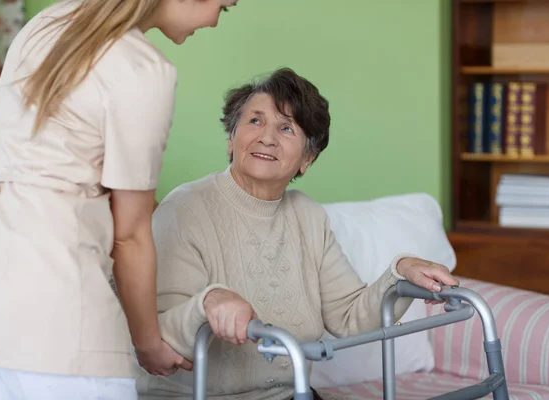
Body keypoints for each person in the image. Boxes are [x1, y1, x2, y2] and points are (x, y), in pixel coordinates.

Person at [0, 0, 240, 399]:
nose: (213, 22)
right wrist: (148, 342)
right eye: (223, 8)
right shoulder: (142, 68)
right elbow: (131, 235)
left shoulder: (48, 22)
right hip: (56, 324)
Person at [135, 67, 459, 400]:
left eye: (286, 127)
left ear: (307, 158)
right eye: (255, 121)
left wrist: (401, 273)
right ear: (231, 139)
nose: (267, 138)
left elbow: (349, 316)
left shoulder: (307, 215)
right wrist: (208, 303)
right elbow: (158, 338)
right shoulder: (185, 209)